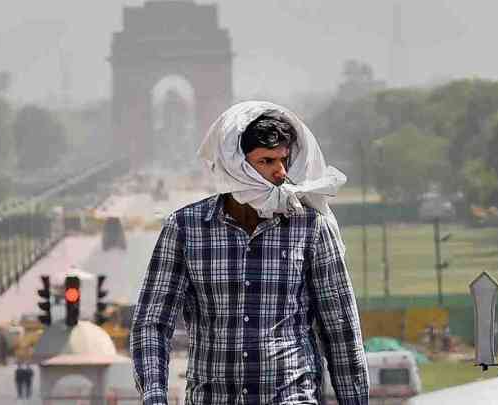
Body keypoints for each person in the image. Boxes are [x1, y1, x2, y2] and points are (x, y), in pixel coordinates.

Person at [130, 101, 369, 405]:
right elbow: (152, 322)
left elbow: (340, 330)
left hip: (292, 395)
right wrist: (154, 395)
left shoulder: (311, 227)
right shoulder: (186, 228)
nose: (281, 173)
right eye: (266, 161)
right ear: (236, 165)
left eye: (284, 160)